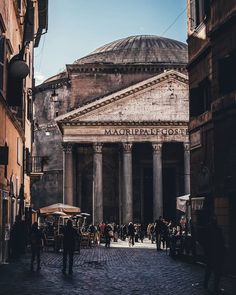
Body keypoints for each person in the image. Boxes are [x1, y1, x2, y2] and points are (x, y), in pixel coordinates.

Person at [203, 216, 225, 294]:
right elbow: (222, 243)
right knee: (216, 272)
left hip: (210, 254)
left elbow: (205, 242)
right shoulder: (218, 230)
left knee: (209, 270)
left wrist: (206, 252)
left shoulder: (207, 230)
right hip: (216, 254)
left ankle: (205, 284)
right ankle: (215, 287)